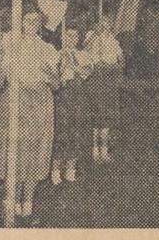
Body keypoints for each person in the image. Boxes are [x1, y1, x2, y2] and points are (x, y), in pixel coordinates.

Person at [0, 10, 60, 222]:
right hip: (16, 101)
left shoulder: (47, 49)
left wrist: (50, 75)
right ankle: (12, 196)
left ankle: (28, 200)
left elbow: (56, 85)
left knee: (34, 150)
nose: (31, 23)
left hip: (39, 102)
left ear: (40, 25)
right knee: (15, 148)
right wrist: (0, 61)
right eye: (27, 20)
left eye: (35, 21)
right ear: (21, 22)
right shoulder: (10, 45)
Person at [52, 28, 93, 185]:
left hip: (78, 96)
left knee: (75, 131)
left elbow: (86, 73)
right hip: (63, 95)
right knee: (61, 131)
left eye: (75, 35)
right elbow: (54, 76)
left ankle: (70, 168)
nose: (71, 38)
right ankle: (56, 170)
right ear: (63, 37)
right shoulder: (57, 54)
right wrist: (62, 65)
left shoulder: (83, 55)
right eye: (68, 35)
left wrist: (72, 65)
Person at [84, 15, 124, 163]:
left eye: (108, 24)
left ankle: (104, 150)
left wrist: (113, 66)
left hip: (109, 79)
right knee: (96, 113)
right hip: (95, 78)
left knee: (107, 115)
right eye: (102, 23)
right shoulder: (91, 36)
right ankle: (95, 149)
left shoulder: (114, 41)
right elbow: (85, 47)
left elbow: (121, 61)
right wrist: (96, 33)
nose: (105, 26)